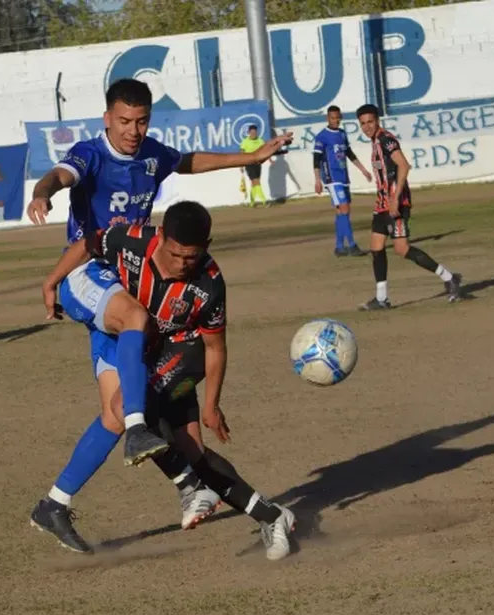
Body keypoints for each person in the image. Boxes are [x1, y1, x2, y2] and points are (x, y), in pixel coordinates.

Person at [26, 78, 293, 528]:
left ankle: (54, 504)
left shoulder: (151, 155)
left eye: (142, 120)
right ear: (107, 118)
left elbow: (189, 161)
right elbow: (61, 174)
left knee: (114, 411)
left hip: (126, 279)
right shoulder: (91, 154)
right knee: (137, 332)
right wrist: (42, 192)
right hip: (88, 272)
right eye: (125, 120)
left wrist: (251, 157)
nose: (133, 129)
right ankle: (162, 454)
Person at [30, 201, 296, 560]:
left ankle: (190, 484)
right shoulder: (133, 240)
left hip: (181, 349)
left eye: (193, 256)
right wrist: (51, 280)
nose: (184, 263)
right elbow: (89, 243)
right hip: (135, 340)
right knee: (149, 430)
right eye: (176, 254)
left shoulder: (210, 285)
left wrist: (211, 404)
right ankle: (269, 515)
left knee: (128, 409)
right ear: (161, 238)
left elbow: (215, 347)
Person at [354, 104, 464, 310]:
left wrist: (395, 199)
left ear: (377, 120)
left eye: (370, 122)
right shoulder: (375, 141)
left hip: (396, 203)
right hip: (381, 203)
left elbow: (404, 165)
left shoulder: (386, 139)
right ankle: (381, 298)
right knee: (376, 247)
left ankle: (450, 278)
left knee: (402, 249)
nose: (367, 126)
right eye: (362, 124)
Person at [313, 105, 371, 257]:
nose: (336, 120)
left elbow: (349, 154)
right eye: (333, 118)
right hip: (331, 177)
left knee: (342, 211)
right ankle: (352, 245)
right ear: (328, 118)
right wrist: (317, 180)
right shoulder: (322, 136)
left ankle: (339, 247)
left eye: (338, 117)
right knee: (344, 209)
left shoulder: (342, 134)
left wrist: (363, 170)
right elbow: (316, 159)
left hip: (343, 176)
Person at [240, 124, 269, 207]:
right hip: (249, 163)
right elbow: (242, 153)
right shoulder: (245, 141)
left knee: (254, 183)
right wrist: (241, 165)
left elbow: (265, 151)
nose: (254, 134)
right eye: (252, 132)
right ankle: (264, 201)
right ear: (249, 133)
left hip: (258, 163)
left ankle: (252, 202)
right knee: (257, 181)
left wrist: (269, 160)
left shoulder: (260, 140)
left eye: (255, 132)